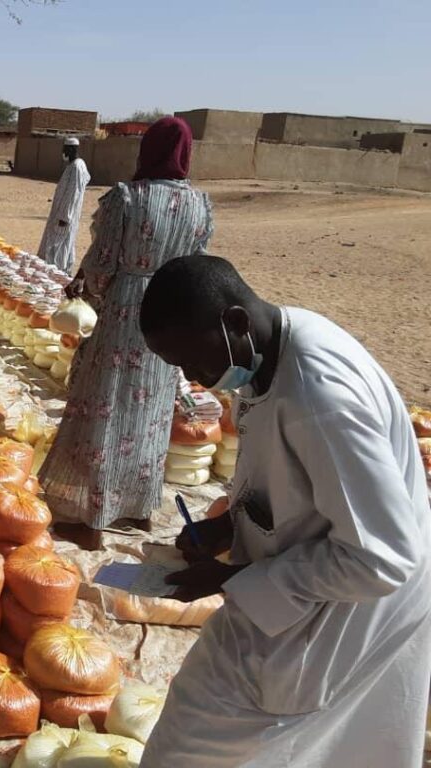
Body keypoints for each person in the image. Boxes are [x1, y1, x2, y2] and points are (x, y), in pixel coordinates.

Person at [137, 254, 431, 768]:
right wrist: (228, 524)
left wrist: (236, 578)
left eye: (192, 361)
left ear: (234, 322)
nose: (194, 378)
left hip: (356, 599)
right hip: (294, 581)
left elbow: (382, 558)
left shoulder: (321, 399)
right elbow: (282, 474)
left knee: (197, 742)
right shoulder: (263, 350)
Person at [38, 117, 213, 550]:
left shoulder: (128, 198)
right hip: (167, 317)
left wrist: (85, 289)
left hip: (124, 313)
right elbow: (197, 265)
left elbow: (102, 264)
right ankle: (139, 510)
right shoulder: (201, 205)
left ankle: (93, 520)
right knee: (149, 415)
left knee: (106, 408)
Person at [36, 137, 91, 273]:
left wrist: (65, 216)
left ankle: (56, 274)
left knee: (57, 246)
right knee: (64, 244)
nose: (63, 152)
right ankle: (63, 273)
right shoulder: (74, 166)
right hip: (63, 214)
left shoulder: (77, 167)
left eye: (65, 149)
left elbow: (73, 193)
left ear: (71, 150)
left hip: (65, 217)